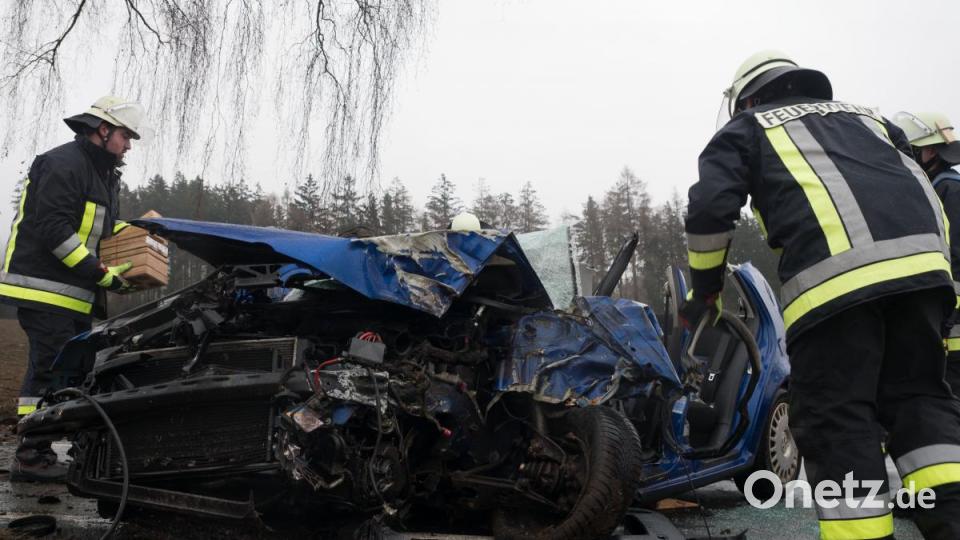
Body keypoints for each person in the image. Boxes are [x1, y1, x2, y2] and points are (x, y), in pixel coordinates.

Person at [683, 50, 960, 539]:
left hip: (835, 292)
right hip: (925, 278)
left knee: (838, 420)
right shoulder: (870, 119)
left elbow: (708, 209)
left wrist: (704, 292)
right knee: (921, 405)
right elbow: (922, 188)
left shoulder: (749, 128)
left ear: (747, 99)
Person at [0, 95, 149, 482]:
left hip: (73, 294)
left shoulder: (101, 175)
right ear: (103, 130)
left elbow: (102, 233)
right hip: (45, 290)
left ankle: (51, 446)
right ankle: (31, 456)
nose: (128, 145)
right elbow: (54, 229)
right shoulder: (62, 163)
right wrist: (100, 272)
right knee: (48, 371)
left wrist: (143, 237)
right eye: (125, 136)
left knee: (72, 371)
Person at [892, 111, 960, 395]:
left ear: (930, 150)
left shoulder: (948, 190)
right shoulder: (940, 187)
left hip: (952, 326)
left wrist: (944, 317)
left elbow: (953, 256)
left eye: (912, 152)